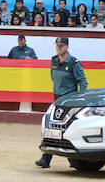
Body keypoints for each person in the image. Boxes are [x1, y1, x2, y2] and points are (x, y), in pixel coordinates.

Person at [35, 37, 87, 169]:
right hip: (57, 98)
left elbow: (82, 81)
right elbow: (53, 77)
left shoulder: (74, 63)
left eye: (62, 45)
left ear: (67, 47)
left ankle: (72, 159)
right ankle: (47, 158)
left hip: (69, 100)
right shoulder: (54, 60)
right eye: (57, 45)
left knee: (67, 128)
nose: (59, 47)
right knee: (53, 127)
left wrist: (80, 98)